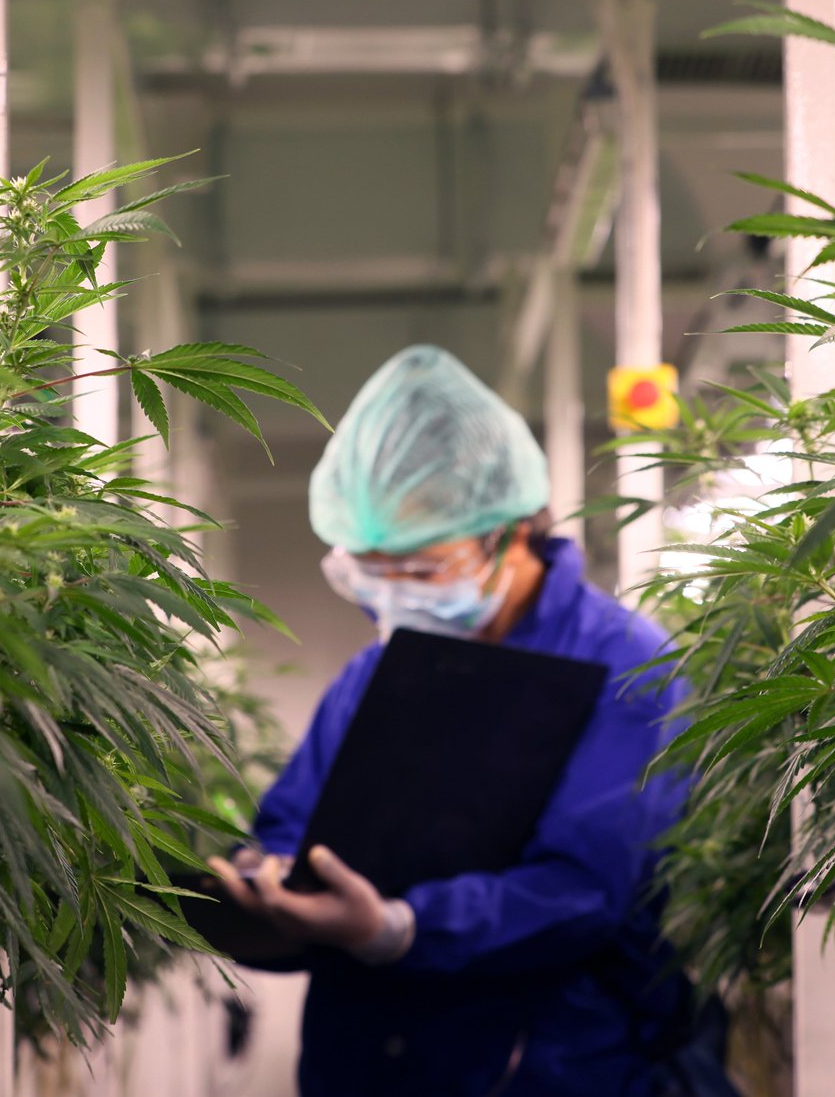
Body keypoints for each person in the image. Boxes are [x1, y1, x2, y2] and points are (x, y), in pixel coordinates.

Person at [209, 345, 732, 1096]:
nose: (394, 599)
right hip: (364, 1061)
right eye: (369, 573)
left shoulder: (626, 668)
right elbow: (297, 822)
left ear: (513, 532)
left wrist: (399, 927)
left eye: (421, 572)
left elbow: (585, 889)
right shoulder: (375, 673)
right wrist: (269, 879)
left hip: (552, 1064)